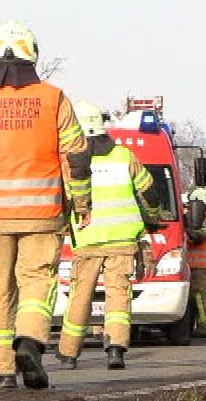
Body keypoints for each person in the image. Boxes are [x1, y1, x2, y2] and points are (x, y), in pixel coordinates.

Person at [0, 20, 91, 388]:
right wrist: (83, 203)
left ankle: (2, 371)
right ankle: (29, 341)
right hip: (44, 215)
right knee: (37, 283)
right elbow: (76, 156)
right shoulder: (54, 99)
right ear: (33, 54)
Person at [55, 102, 161, 370]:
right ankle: (115, 349)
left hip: (87, 240)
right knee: (118, 297)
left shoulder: (69, 163)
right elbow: (150, 193)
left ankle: (68, 354)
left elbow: (61, 201)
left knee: (80, 296)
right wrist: (152, 217)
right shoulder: (124, 156)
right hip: (123, 241)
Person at [184, 187, 206, 338]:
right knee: (197, 296)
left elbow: (200, 236)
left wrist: (188, 230)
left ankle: (204, 327)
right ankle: (202, 325)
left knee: (199, 296)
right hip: (201, 265)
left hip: (200, 265)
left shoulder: (205, 218)